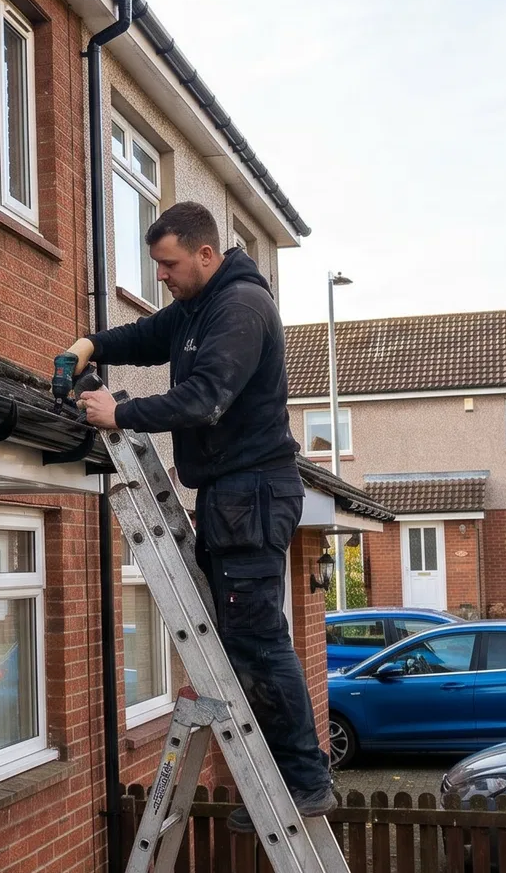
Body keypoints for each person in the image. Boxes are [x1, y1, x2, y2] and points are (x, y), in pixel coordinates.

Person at [58, 201, 334, 825]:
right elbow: (149, 337)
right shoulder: (199, 309)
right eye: (157, 264)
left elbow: (206, 398)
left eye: (170, 264)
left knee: (259, 640)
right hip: (229, 495)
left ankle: (304, 780)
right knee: (239, 638)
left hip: (253, 493)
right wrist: (91, 343)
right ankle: (286, 775)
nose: (162, 275)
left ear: (206, 255)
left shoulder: (239, 308)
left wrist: (121, 414)